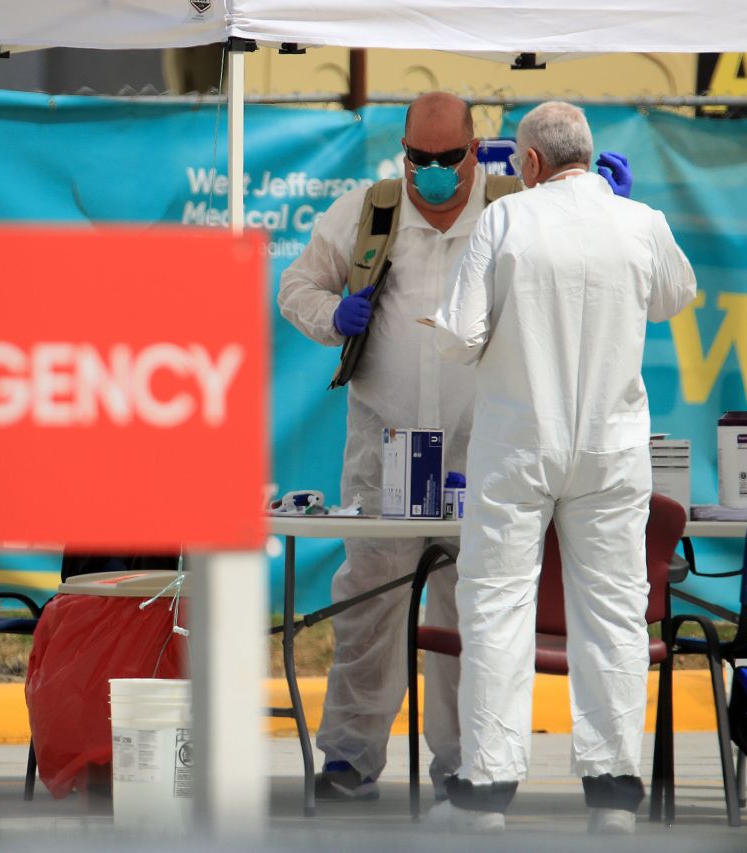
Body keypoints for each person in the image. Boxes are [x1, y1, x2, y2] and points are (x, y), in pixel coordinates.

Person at [277, 92, 632, 801]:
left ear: (476, 148)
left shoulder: (514, 210)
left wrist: (611, 206)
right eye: (418, 158)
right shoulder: (368, 212)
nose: (432, 173)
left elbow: (595, 261)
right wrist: (331, 315)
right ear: (402, 150)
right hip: (385, 450)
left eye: (447, 158)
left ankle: (468, 762)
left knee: (474, 616)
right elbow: (295, 287)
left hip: (485, 450)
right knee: (367, 611)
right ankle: (348, 756)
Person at [426, 101, 696, 834]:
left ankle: (487, 790)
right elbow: (676, 294)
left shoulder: (505, 221)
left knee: (497, 603)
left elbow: (456, 337)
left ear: (533, 164)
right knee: (613, 610)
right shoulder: (639, 222)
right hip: (611, 446)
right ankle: (613, 793)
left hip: (518, 438)